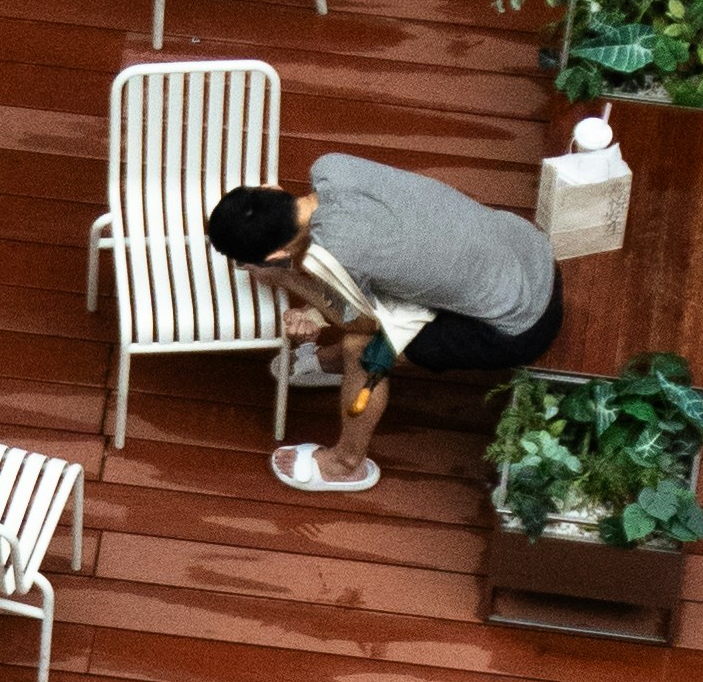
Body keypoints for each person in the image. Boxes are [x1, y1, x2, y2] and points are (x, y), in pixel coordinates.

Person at [205, 159, 565, 493]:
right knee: (381, 291)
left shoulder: (333, 255)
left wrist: (288, 279)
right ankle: (328, 364)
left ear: (276, 256)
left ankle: (346, 465)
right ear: (270, 189)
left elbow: (361, 322)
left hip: (521, 321)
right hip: (528, 250)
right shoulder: (331, 166)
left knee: (360, 349)